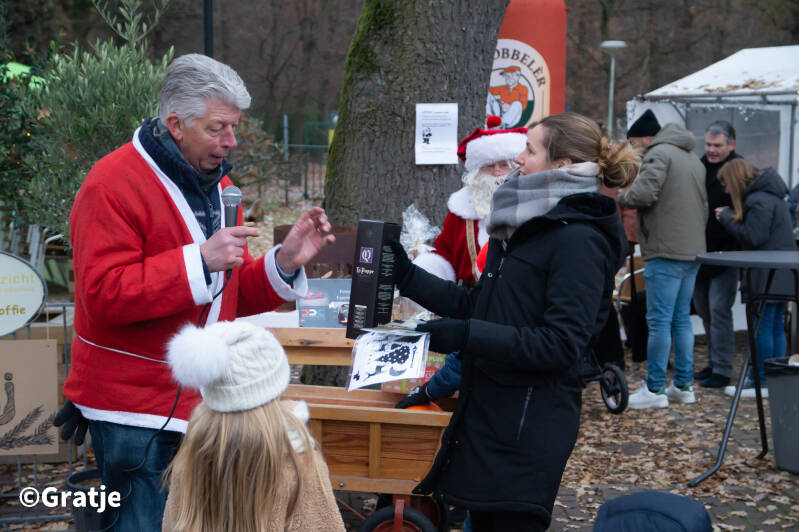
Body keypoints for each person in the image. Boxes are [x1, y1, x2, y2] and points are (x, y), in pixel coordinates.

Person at [54, 54, 334, 530]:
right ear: (176, 124)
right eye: (218, 128)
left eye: (234, 127)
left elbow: (230, 293)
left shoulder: (221, 187)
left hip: (203, 406)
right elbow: (102, 295)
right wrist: (198, 260)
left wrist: (283, 262)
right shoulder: (111, 184)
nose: (231, 142)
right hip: (132, 410)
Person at [390, 112, 636, 531]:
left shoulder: (578, 239)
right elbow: (482, 304)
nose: (519, 157)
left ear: (561, 166)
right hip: (492, 414)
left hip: (527, 428)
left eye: (530, 149)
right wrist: (408, 277)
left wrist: (467, 336)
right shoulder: (529, 223)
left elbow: (561, 345)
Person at [162, 321, 345, 531]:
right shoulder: (299, 460)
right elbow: (321, 524)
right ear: (275, 389)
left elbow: (171, 523)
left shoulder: (192, 455)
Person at [398, 116, 526, 409]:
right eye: (488, 166)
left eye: (504, 164)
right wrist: (426, 270)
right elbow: (444, 253)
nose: (496, 173)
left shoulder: (529, 210)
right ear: (475, 171)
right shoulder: (460, 211)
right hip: (469, 307)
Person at [618, 109, 707, 409]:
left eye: (633, 142)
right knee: (681, 320)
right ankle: (683, 385)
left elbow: (643, 195)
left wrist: (621, 195)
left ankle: (654, 389)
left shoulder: (658, 154)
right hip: (691, 249)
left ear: (646, 137)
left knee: (658, 321)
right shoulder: (691, 157)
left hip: (665, 249)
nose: (632, 149)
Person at [716, 159, 796, 398]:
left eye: (726, 185)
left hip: (764, 273)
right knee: (774, 326)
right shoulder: (774, 196)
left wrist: (728, 217)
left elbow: (754, 237)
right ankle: (776, 379)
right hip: (783, 270)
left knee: (760, 326)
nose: (726, 191)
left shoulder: (757, 200)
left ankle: (761, 381)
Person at [692, 121, 742, 388]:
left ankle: (723, 369)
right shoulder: (700, 165)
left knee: (718, 309)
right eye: (708, 144)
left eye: (717, 145)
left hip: (727, 253)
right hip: (699, 251)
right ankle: (713, 363)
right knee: (703, 309)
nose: (711, 150)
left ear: (731, 145)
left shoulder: (738, 170)